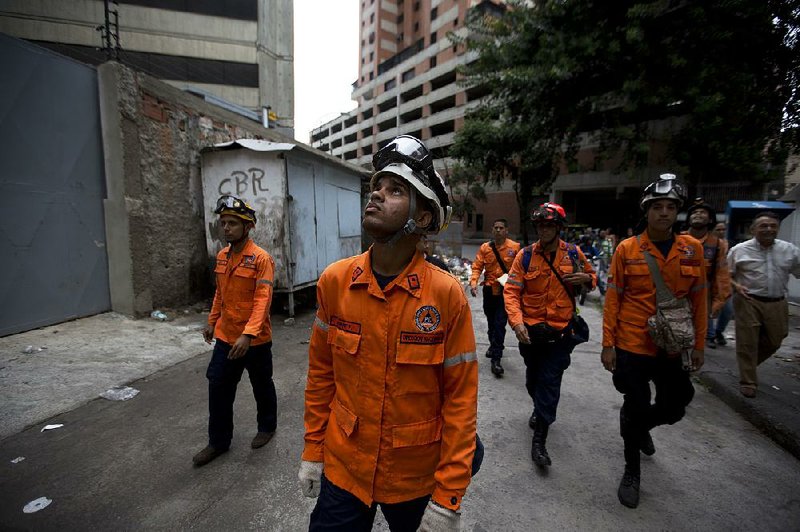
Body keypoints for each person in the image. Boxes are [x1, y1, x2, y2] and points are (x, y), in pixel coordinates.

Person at [299, 135, 478, 531]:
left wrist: (447, 498)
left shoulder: (446, 295)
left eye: (395, 190)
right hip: (345, 469)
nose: (376, 195)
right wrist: (313, 451)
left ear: (424, 217)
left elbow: (460, 402)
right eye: (376, 187)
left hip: (414, 478)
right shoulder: (335, 282)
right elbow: (321, 377)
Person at [601, 173, 706, 508]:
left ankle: (638, 423)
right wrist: (608, 344)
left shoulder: (693, 249)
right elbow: (613, 299)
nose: (664, 213)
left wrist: (699, 346)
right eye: (657, 207)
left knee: (677, 404)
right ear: (646, 211)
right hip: (633, 342)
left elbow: (700, 301)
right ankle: (632, 472)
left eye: (670, 207)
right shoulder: (627, 250)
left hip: (673, 345)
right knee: (635, 400)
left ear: (678, 212)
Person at [504, 202, 596, 468]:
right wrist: (517, 322)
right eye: (540, 225)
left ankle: (540, 439)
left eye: (549, 225)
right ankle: (539, 407)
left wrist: (587, 280)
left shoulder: (574, 254)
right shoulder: (525, 256)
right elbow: (511, 291)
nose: (544, 229)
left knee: (549, 382)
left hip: (560, 334)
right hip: (530, 334)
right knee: (533, 381)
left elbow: (591, 278)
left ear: (558, 227)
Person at [193, 195, 277, 467]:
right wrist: (212, 320)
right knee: (218, 386)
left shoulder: (261, 259)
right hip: (227, 337)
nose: (226, 228)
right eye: (223, 223)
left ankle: (266, 427)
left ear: (247, 226)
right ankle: (218, 442)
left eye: (232, 223)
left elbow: (262, 299)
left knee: (261, 384)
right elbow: (221, 293)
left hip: (255, 340)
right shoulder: (222, 256)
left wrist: (248, 334)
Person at [728, 211, 800, 398]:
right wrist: (736, 286)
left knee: (776, 339)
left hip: (777, 301)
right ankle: (748, 381)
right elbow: (725, 275)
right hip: (748, 300)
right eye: (763, 226)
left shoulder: (790, 250)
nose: (768, 229)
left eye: (772, 226)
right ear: (753, 229)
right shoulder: (739, 250)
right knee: (747, 341)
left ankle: (748, 365)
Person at [469, 219, 521, 377]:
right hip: (489, 290)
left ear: (506, 230)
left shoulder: (515, 248)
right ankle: (493, 345)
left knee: (500, 324)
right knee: (491, 322)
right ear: (492, 230)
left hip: (506, 292)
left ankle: (496, 359)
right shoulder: (485, 248)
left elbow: (520, 270)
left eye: (501, 228)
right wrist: (473, 282)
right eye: (496, 227)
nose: (498, 230)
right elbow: (477, 266)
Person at [683, 198, 731, 348]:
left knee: (698, 338)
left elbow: (722, 275)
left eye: (702, 212)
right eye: (695, 212)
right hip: (678, 294)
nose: (698, 214)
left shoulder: (717, 244)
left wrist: (717, 303)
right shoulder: (677, 239)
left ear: (710, 219)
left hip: (703, 295)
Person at [712, 222, 734, 345]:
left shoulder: (727, 244)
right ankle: (709, 335)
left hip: (724, 283)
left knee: (727, 310)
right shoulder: (708, 244)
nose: (721, 231)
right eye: (718, 229)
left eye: (723, 229)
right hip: (710, 283)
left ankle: (718, 332)